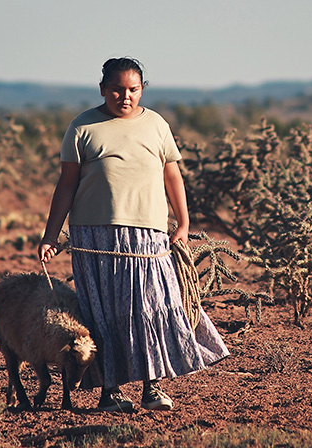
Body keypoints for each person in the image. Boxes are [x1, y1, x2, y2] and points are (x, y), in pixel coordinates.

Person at [38, 57, 229, 412]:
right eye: (116, 89)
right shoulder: (82, 127)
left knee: (150, 308)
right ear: (102, 89)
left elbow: (173, 176)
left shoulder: (156, 124)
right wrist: (51, 235)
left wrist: (183, 223)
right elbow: (66, 185)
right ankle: (110, 391)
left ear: (141, 89)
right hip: (95, 239)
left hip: (148, 236)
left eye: (133, 90)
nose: (125, 97)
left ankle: (152, 387)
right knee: (105, 312)